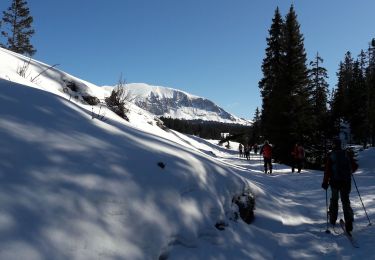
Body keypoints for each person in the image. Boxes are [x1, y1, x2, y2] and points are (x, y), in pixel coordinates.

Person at [321, 139, 358, 233]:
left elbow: (327, 171)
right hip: (346, 182)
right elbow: (355, 167)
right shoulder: (346, 154)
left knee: (334, 200)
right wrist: (349, 173)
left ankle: (333, 219)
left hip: (335, 182)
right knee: (345, 200)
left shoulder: (331, 156)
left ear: (333, 145)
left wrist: (325, 182)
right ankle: (349, 221)